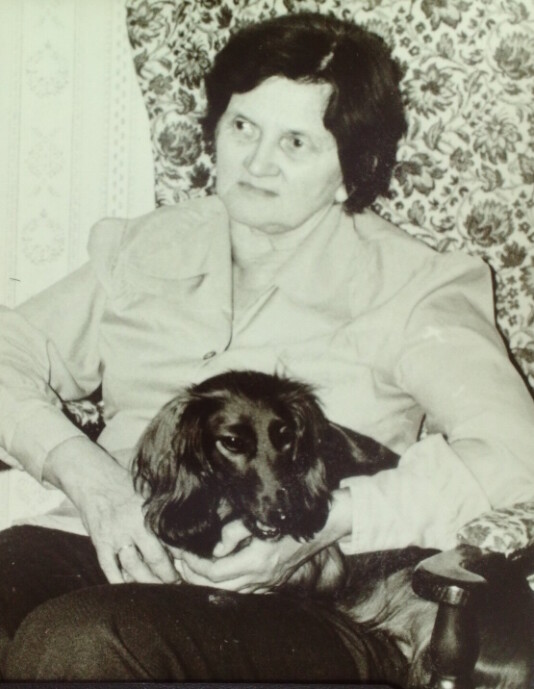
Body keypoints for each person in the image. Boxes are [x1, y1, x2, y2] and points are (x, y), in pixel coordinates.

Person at [0, 10, 533, 682]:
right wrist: (89, 478)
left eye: (296, 142)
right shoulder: (144, 245)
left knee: (80, 643)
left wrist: (325, 523)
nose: (256, 163)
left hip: (308, 593)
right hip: (124, 544)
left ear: (351, 170)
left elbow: (517, 456)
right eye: (243, 127)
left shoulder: (415, 286)